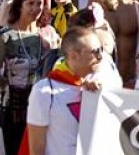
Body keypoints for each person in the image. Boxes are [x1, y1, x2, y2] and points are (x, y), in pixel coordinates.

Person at [26, 26, 119, 155]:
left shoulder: (100, 84)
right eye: (95, 51)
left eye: (101, 50)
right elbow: (36, 149)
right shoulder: (44, 91)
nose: (100, 57)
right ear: (74, 56)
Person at [0, 0, 57, 155]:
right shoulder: (5, 36)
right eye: (30, 3)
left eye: (39, 4)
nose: (35, 8)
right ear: (20, 4)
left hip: (43, 108)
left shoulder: (49, 34)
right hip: (13, 109)